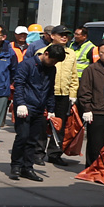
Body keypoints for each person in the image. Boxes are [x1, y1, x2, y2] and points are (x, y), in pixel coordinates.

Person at [10, 45, 63, 181]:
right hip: (25, 106)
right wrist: (21, 103)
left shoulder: (52, 69)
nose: (53, 63)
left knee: (33, 140)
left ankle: (27, 167)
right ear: (45, 54)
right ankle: (16, 165)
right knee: (23, 136)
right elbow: (19, 84)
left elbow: (50, 89)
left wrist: (51, 109)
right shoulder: (27, 65)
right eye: (52, 60)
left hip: (39, 108)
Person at [41, 27, 79, 166]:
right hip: (47, 93)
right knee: (43, 124)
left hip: (63, 94)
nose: (64, 37)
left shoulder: (71, 54)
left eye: (67, 35)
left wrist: (73, 94)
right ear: (52, 36)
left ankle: (55, 153)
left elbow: (74, 76)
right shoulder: (43, 52)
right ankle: (38, 153)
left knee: (60, 125)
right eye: (61, 35)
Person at [77, 40, 104, 169]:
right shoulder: (91, 70)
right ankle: (91, 170)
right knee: (95, 145)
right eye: (103, 52)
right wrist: (87, 109)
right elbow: (84, 91)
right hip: (97, 112)